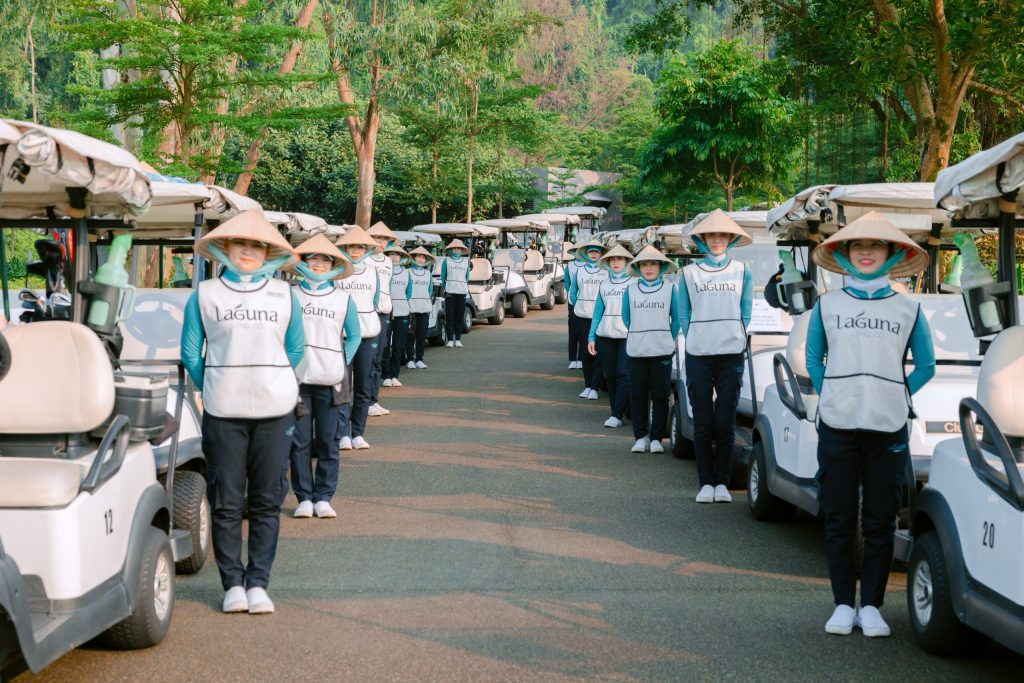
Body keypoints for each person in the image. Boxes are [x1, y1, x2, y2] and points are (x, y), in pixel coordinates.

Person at [805, 211, 934, 638]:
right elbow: (812, 360)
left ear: (891, 254)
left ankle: (873, 606)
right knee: (839, 516)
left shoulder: (909, 308)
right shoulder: (827, 305)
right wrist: (835, 392)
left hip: (888, 424)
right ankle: (843, 603)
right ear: (843, 254)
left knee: (881, 519)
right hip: (838, 424)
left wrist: (896, 391)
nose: (865, 252)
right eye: (857, 246)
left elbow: (926, 366)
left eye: (874, 246)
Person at [180, 209, 303, 615]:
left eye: (256, 245)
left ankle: (259, 584)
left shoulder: (285, 294)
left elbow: (296, 349)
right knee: (228, 499)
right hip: (223, 410)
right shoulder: (204, 294)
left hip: (276, 409)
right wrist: (215, 382)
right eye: (240, 244)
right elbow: (190, 352)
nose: (248, 251)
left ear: (267, 252)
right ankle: (232, 583)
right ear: (224, 248)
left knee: (267, 500)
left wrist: (280, 382)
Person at [678, 209, 754, 504]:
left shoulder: (742, 271)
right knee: (703, 421)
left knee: (725, 421)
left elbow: (745, 310)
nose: (717, 240)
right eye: (712, 235)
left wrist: (735, 332)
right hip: (698, 353)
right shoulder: (688, 273)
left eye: (723, 235)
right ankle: (705, 482)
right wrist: (695, 334)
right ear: (703, 239)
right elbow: (684, 313)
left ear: (731, 239)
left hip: (731, 353)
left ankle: (721, 482)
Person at [288, 235, 361, 520]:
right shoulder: (290, 294)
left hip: (332, 381)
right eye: (312, 259)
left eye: (325, 259)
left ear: (333, 265)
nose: (318, 264)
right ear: (303, 263)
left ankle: (324, 497)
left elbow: (354, 335)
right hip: (298, 380)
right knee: (300, 442)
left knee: (329, 442)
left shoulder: (343, 299)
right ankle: (304, 497)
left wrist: (342, 362)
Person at [621, 245, 680, 454]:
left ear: (661, 266)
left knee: (661, 395)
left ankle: (656, 438)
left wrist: (665, 337)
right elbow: (626, 318)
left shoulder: (670, 289)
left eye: (653, 263)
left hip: (662, 350)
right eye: (644, 264)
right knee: (637, 394)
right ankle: (640, 436)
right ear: (637, 267)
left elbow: (678, 318)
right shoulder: (630, 289)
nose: (648, 268)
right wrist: (640, 334)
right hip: (637, 350)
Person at [334, 225, 383, 450]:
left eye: (359, 247)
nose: (355, 251)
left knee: (363, 386)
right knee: (343, 386)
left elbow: (375, 300)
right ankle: (342, 432)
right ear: (344, 248)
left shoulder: (373, 271)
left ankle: (358, 433)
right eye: (351, 247)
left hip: (368, 335)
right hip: (342, 336)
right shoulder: (337, 271)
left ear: (365, 249)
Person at [586, 244, 635, 428]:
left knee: (623, 374)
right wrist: (591, 337)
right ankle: (616, 410)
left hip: (626, 336)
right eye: (613, 259)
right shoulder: (604, 284)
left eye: (620, 259)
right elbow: (598, 312)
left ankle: (616, 414)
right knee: (610, 376)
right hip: (606, 336)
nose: (616, 262)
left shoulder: (633, 284)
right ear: (607, 262)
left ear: (626, 262)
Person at [568, 239, 609, 400]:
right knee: (586, 352)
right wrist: (578, 306)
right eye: (591, 251)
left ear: (601, 254)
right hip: (583, 317)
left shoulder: (606, 271)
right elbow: (572, 292)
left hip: (601, 318)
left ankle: (595, 387)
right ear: (586, 253)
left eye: (596, 251)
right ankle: (588, 385)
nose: (593, 254)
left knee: (598, 353)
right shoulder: (580, 271)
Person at [366, 221, 397, 416]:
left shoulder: (388, 262)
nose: (380, 242)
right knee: (367, 359)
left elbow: (388, 286)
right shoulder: (364, 260)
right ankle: (363, 400)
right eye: (376, 238)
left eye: (384, 239)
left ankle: (373, 399)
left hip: (384, 312)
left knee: (379, 357)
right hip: (367, 312)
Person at [383, 244, 412, 388]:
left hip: (402, 312)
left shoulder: (407, 273)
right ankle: (386, 375)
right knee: (384, 345)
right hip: (385, 312)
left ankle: (395, 375)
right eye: (391, 254)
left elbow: (409, 293)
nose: (394, 257)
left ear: (401, 257)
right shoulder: (382, 271)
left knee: (398, 346)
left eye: (397, 254)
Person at [405, 246, 435, 370]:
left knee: (421, 336)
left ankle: (419, 359)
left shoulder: (428, 273)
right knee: (410, 336)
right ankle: (410, 359)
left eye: (423, 257)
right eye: (418, 257)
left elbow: (430, 291)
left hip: (424, 309)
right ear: (413, 258)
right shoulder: (407, 272)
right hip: (410, 309)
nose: (421, 259)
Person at [440, 238, 471, 348]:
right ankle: (449, 340)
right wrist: (446, 287)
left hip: (461, 291)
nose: (456, 250)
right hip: (450, 292)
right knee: (450, 316)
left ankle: (457, 339)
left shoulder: (465, 261)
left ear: (462, 250)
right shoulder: (446, 261)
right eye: (454, 248)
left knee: (459, 316)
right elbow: (443, 276)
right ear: (451, 250)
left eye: (459, 248)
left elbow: (467, 277)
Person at [564, 242, 585, 369]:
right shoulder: (570, 265)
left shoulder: (590, 265)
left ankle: (582, 358)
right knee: (573, 332)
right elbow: (567, 282)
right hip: (573, 302)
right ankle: (573, 359)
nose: (579, 253)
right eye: (577, 250)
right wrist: (572, 295)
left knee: (584, 333)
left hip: (586, 302)